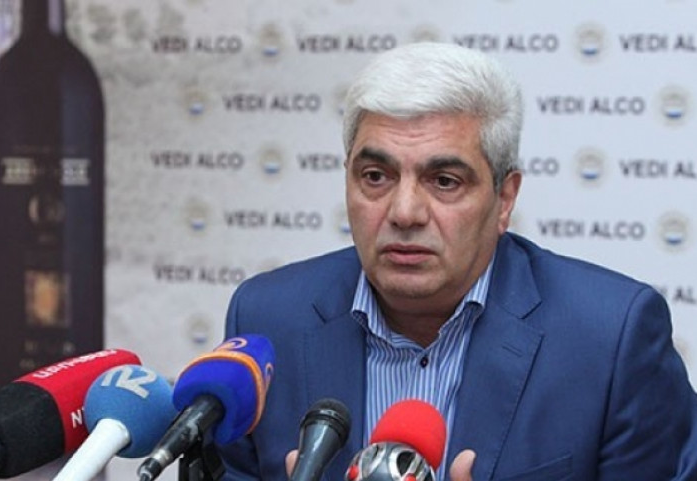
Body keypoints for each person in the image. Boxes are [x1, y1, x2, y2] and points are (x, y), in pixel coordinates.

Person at [218, 42, 697, 481]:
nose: (405, 212)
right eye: (376, 176)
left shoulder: (610, 340)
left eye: (444, 181)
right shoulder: (268, 321)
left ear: (504, 198)